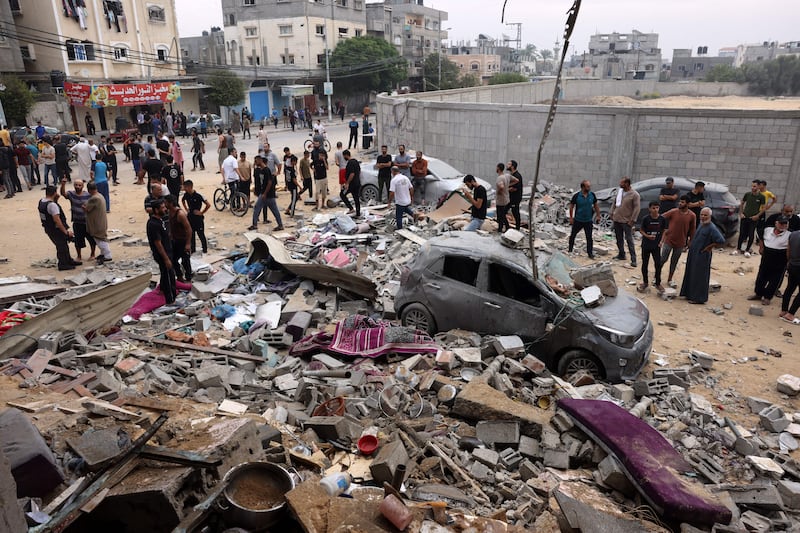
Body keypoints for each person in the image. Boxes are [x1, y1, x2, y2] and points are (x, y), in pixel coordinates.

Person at [680, 207, 725, 304]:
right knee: (691, 273)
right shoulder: (701, 224)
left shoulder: (712, 228)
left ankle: (698, 298)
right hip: (693, 254)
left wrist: (710, 246)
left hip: (702, 256)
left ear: (710, 216)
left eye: (705, 215)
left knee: (699, 277)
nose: (703, 217)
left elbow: (721, 240)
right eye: (702, 215)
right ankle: (688, 294)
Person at [748, 216, 791, 305]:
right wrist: (761, 247)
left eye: (785, 224)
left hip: (780, 257)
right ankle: (758, 294)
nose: (782, 225)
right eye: (781, 223)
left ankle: (768, 297)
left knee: (775, 279)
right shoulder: (767, 230)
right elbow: (760, 236)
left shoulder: (790, 235)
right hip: (767, 255)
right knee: (761, 276)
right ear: (776, 223)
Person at [39, 185, 80, 271]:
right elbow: (57, 220)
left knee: (64, 245)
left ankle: (68, 260)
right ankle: (63, 264)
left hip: (48, 227)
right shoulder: (52, 205)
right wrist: (65, 231)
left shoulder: (42, 201)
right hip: (55, 229)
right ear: (54, 193)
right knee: (61, 246)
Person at [660, 195, 696, 289]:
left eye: (683, 202)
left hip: (680, 242)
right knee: (663, 259)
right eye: (680, 201)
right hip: (669, 240)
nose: (680, 203)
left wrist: (691, 241)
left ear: (688, 204)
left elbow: (692, 230)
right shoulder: (673, 212)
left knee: (674, 261)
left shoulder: (692, 216)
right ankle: (657, 277)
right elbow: (661, 218)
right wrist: (663, 230)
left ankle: (670, 279)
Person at [146, 199, 177, 304]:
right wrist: (166, 259)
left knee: (165, 274)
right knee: (169, 276)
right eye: (162, 208)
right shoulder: (153, 224)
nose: (165, 209)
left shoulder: (160, 220)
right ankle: (170, 300)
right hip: (163, 255)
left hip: (168, 252)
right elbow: (158, 244)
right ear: (156, 210)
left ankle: (163, 291)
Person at [60, 178, 95, 261]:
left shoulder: (88, 195)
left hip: (87, 222)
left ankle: (92, 254)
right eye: (76, 185)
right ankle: (79, 256)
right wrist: (63, 185)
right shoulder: (71, 194)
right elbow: (63, 194)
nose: (77, 187)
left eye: (79, 185)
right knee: (78, 241)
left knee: (91, 239)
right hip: (77, 222)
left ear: (83, 186)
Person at [611, 177, 641, 267]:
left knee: (629, 240)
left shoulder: (634, 194)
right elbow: (614, 203)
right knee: (619, 238)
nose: (620, 184)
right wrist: (611, 212)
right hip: (617, 219)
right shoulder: (620, 192)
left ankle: (633, 259)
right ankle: (621, 254)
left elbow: (637, 208)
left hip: (626, 221)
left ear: (627, 184)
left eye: (622, 182)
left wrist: (633, 220)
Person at [248, 156, 284, 231]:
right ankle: (279, 225)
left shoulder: (266, 170)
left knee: (272, 210)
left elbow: (270, 182)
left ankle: (280, 225)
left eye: (256, 161)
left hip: (268, 194)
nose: (255, 162)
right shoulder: (260, 170)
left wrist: (265, 193)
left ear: (260, 161)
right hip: (264, 193)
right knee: (258, 208)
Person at [638, 202, 667, 294]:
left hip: (656, 246)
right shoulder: (646, 219)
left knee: (658, 264)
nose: (655, 210)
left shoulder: (662, 219)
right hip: (646, 245)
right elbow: (641, 230)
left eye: (657, 208)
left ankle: (658, 283)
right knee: (645, 264)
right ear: (649, 209)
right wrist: (647, 236)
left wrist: (662, 241)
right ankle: (645, 282)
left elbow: (665, 231)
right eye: (653, 208)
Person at [568, 179, 600, 258]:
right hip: (578, 220)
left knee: (589, 238)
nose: (589, 188)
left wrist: (598, 215)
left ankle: (590, 253)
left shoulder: (592, 195)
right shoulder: (576, 196)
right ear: (583, 187)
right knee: (573, 235)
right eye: (588, 186)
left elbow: (596, 205)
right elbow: (571, 207)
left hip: (588, 221)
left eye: (589, 186)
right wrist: (571, 218)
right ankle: (570, 250)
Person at [165, 195, 193, 282]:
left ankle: (188, 277)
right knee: (173, 259)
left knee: (185, 260)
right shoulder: (169, 212)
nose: (164, 204)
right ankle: (180, 276)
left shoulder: (180, 214)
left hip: (183, 240)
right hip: (175, 240)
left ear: (171, 203)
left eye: (166, 202)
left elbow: (189, 229)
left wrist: (188, 244)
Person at [84, 181, 112, 265]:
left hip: (97, 223)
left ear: (89, 190)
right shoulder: (100, 196)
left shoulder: (94, 198)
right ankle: (104, 254)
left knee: (100, 240)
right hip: (101, 222)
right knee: (101, 239)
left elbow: (87, 208)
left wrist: (84, 206)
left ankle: (107, 255)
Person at [736, 180, 766, 255]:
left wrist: (757, 216)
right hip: (745, 217)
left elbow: (764, 208)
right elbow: (742, 203)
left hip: (753, 219)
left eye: (754, 186)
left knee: (751, 234)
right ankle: (738, 249)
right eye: (752, 186)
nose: (753, 188)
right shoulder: (747, 194)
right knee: (742, 233)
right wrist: (741, 213)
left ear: (758, 187)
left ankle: (747, 249)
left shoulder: (761, 197)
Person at [181, 180, 210, 254]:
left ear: (190, 187)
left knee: (201, 234)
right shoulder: (186, 195)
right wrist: (186, 209)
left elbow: (208, 204)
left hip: (198, 218)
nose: (184, 188)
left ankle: (204, 249)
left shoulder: (198, 195)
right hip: (190, 217)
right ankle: (193, 249)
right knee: (191, 234)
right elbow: (183, 200)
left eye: (185, 187)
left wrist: (201, 212)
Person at [781, 226, 800, 323]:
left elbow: (788, 249)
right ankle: (790, 314)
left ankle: (784, 311)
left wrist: (789, 261)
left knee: (789, 288)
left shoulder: (793, 234)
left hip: (792, 265)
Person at [389, 166, 414, 230]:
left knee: (398, 216)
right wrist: (411, 197)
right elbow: (411, 188)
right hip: (407, 200)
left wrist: (389, 202)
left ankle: (400, 229)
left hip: (400, 202)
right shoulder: (405, 178)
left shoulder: (394, 180)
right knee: (405, 209)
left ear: (393, 172)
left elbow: (392, 192)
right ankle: (415, 216)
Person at [340, 150, 361, 217]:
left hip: (351, 185)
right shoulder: (356, 161)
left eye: (344, 156)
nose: (344, 158)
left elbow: (352, 174)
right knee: (356, 198)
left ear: (346, 155)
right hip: (357, 183)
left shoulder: (350, 163)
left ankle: (351, 208)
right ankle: (358, 213)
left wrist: (347, 183)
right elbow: (359, 171)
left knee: (342, 194)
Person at [494, 163, 511, 233]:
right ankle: (505, 228)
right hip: (505, 199)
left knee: (500, 216)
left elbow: (501, 187)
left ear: (498, 168)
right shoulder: (505, 176)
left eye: (496, 167)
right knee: (502, 215)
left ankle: (501, 229)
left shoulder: (500, 178)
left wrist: (498, 192)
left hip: (501, 201)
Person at [507, 160, 523, 230]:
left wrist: (504, 190)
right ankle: (509, 227)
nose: (507, 165)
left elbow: (515, 188)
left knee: (515, 212)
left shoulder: (517, 176)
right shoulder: (512, 175)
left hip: (515, 198)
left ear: (512, 166)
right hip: (510, 197)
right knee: (505, 211)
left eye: (509, 164)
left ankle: (517, 228)